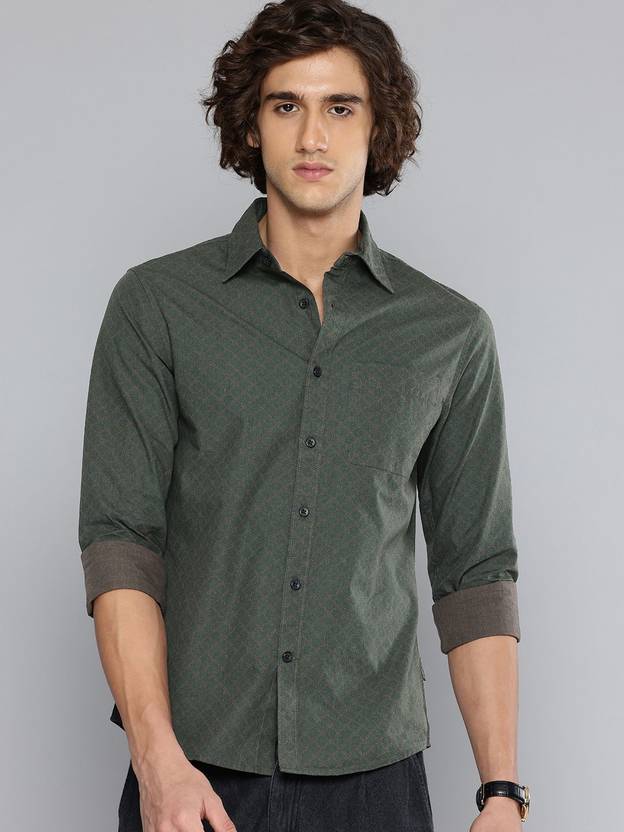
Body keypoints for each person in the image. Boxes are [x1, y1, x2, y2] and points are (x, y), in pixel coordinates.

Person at [78, 1, 530, 829]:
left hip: (376, 779)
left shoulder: (451, 332)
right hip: (194, 770)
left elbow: (475, 574)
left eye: (341, 107)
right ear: (251, 126)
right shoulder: (157, 306)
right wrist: (157, 759)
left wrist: (501, 791)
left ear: (378, 126)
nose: (313, 136)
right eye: (286, 105)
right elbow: (121, 545)